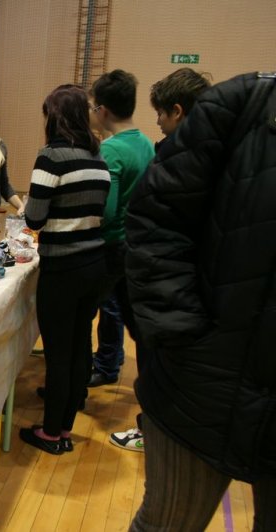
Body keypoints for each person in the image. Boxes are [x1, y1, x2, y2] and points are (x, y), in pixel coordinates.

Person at [125, 72, 276, 531]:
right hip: (201, 386)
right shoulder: (246, 105)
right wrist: (182, 338)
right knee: (168, 522)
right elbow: (154, 220)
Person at [109, 67, 212, 453]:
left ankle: (154, 430)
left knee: (159, 367)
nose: (157, 120)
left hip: (167, 286)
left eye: (162, 113)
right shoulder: (207, 155)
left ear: (178, 111)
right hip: (182, 287)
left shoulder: (181, 158)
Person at [19, 84, 109, 455]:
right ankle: (66, 427)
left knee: (57, 352)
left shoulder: (52, 157)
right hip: (95, 265)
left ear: (54, 117)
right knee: (78, 347)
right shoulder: (97, 158)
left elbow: (34, 219)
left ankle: (51, 433)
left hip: (63, 268)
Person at [87, 69, 154, 388]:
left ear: (103, 110)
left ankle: (104, 364)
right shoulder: (145, 144)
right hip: (136, 241)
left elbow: (107, 210)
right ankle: (111, 362)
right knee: (119, 309)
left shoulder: (111, 150)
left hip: (112, 244)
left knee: (105, 307)